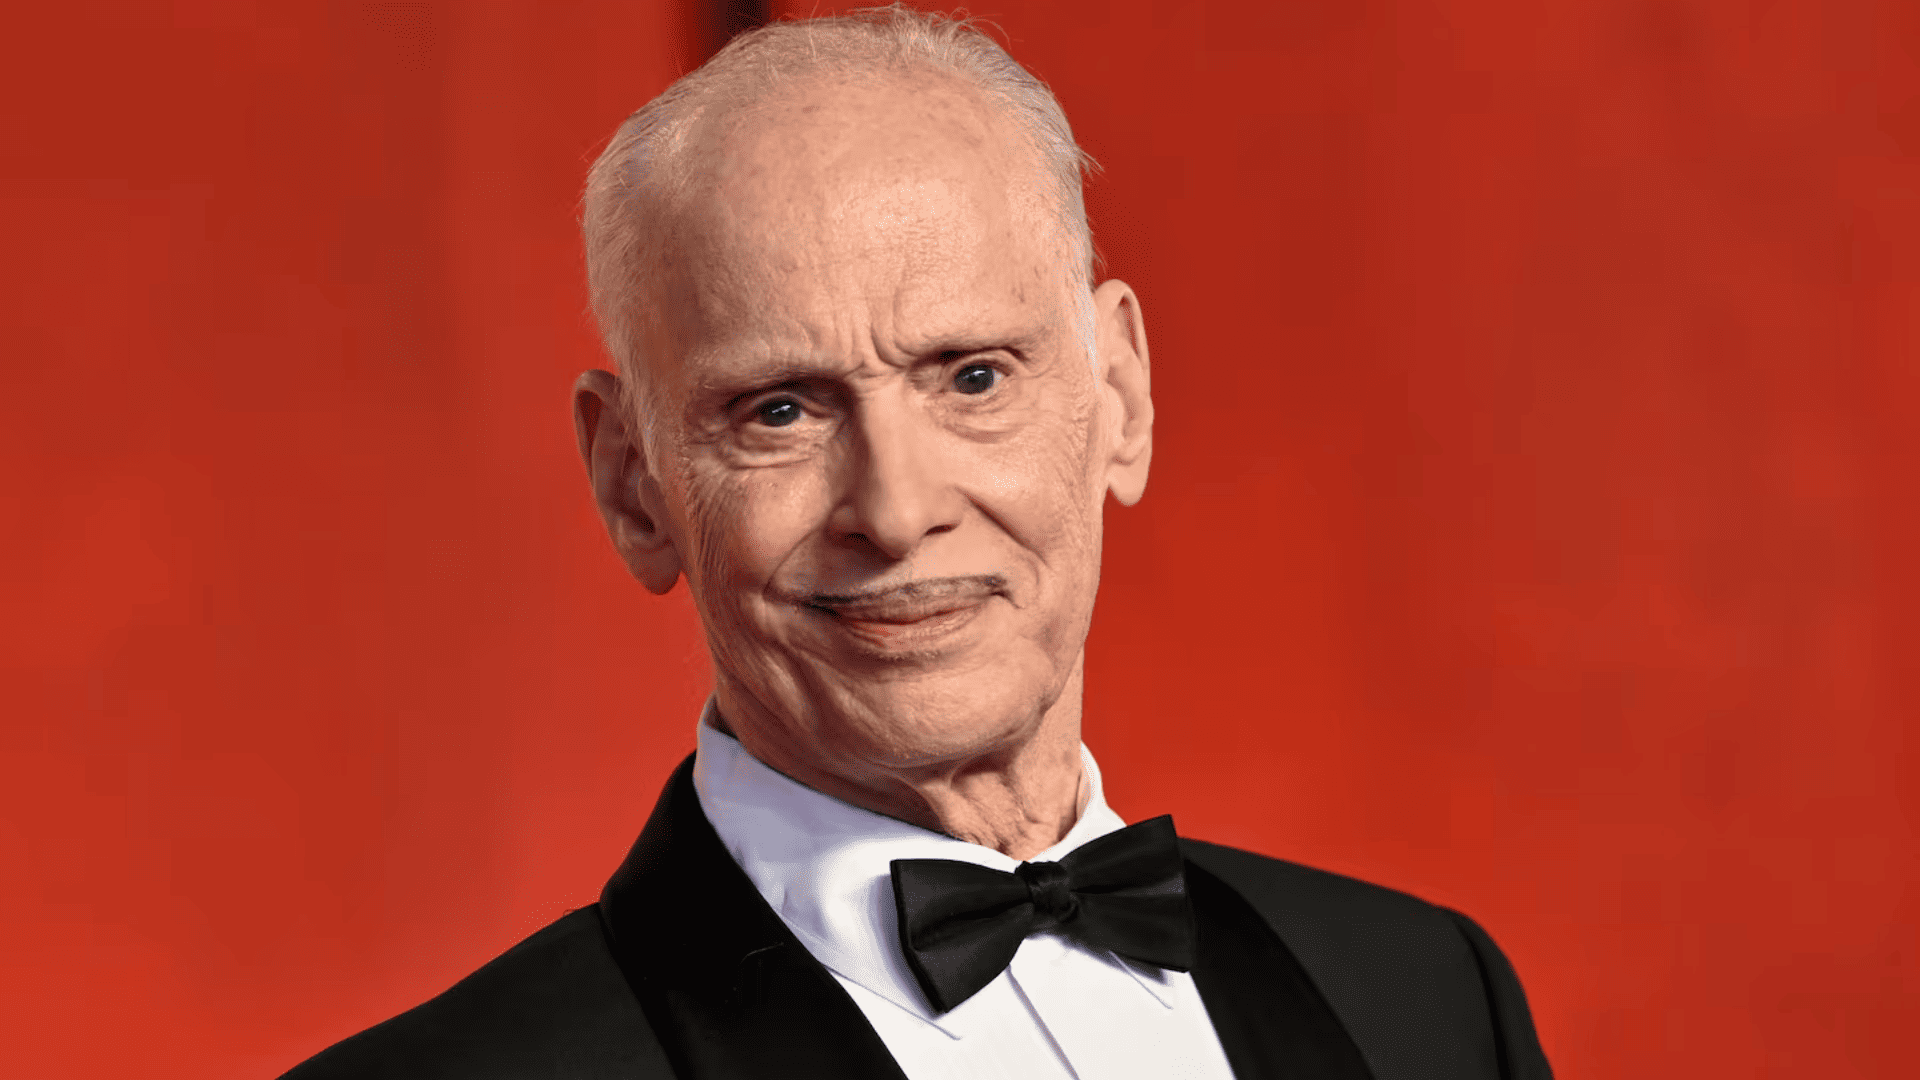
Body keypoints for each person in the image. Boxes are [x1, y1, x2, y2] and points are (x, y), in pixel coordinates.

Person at [282, 7, 1553, 1078]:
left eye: (973, 378)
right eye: (779, 409)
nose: (894, 510)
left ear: (1120, 397)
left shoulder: (1432, 1001)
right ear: (634, 483)